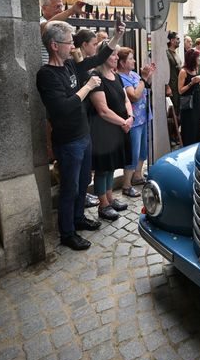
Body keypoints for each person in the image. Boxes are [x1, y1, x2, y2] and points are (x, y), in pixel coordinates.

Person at [36, 21, 103, 251]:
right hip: (68, 142)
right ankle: (67, 233)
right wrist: (89, 86)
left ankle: (78, 218)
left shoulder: (70, 65)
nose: (73, 45)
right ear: (54, 45)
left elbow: (94, 61)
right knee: (69, 188)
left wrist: (116, 38)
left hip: (83, 135)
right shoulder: (46, 75)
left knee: (84, 182)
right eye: (69, 42)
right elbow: (63, 108)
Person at [88, 42, 134, 221]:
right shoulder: (96, 76)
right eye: (113, 55)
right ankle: (103, 205)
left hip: (119, 128)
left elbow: (125, 99)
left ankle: (110, 198)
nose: (117, 58)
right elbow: (102, 110)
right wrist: (124, 121)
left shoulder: (116, 76)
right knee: (103, 168)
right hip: (103, 130)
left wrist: (130, 117)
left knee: (111, 167)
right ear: (103, 55)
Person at [117, 47, 153, 197]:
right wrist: (144, 78)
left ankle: (137, 176)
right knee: (133, 152)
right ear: (122, 62)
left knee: (143, 150)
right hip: (134, 120)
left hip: (144, 117)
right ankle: (126, 185)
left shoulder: (133, 74)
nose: (134, 61)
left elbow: (144, 87)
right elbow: (135, 96)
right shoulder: (121, 77)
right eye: (131, 59)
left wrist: (148, 75)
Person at [39, 0, 86, 64]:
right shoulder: (40, 22)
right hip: (47, 69)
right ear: (44, 8)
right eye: (57, 7)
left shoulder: (61, 25)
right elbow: (47, 26)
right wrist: (71, 10)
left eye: (61, 6)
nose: (61, 10)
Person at [178, 49, 200, 145]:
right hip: (188, 104)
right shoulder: (183, 71)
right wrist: (192, 82)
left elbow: (196, 87)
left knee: (197, 125)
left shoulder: (196, 69)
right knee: (189, 127)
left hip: (196, 101)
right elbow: (180, 90)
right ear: (192, 58)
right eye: (198, 56)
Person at [166, 31, 182, 115]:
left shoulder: (175, 54)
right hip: (172, 88)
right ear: (172, 40)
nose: (179, 41)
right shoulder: (167, 54)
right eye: (178, 39)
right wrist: (167, 87)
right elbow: (164, 71)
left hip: (177, 87)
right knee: (173, 113)